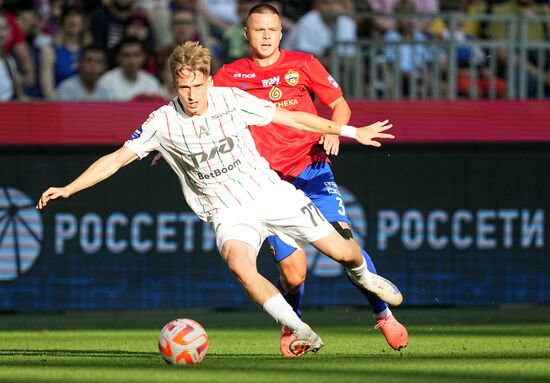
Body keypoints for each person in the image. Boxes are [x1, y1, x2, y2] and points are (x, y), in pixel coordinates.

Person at [37, 41, 400, 357]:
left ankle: (363, 275)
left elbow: (294, 119)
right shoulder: (161, 121)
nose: (192, 94)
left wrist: (352, 131)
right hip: (226, 212)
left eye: (197, 85)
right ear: (174, 85)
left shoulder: (231, 100)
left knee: (344, 251)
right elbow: (116, 158)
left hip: (270, 194)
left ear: (209, 81)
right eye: (184, 87)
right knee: (239, 264)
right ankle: (299, 329)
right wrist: (69, 187)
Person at [213, 3, 408, 355]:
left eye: (272, 29)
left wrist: (335, 131)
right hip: (267, 184)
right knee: (294, 273)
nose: (267, 35)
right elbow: (201, 111)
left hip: (311, 168)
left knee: (343, 243)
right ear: (247, 34)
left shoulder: (303, 64)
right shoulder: (229, 75)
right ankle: (295, 322)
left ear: (281, 32)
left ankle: (383, 315)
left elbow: (339, 104)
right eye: (259, 29)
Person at [96, 36, 162, 101]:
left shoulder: (151, 83)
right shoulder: (105, 82)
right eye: (126, 55)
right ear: (118, 57)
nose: (131, 60)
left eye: (136, 55)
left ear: (144, 57)